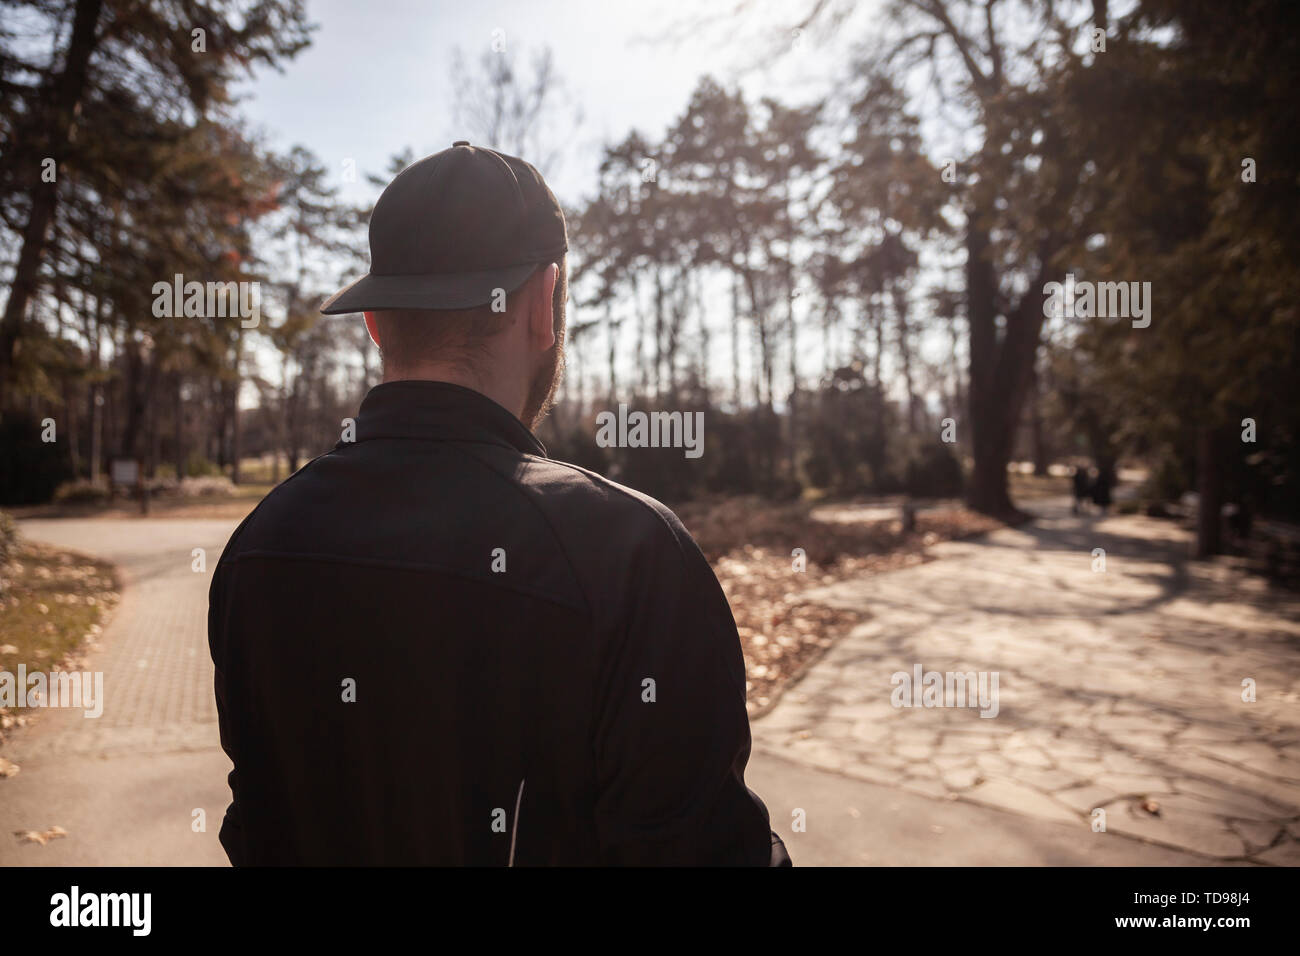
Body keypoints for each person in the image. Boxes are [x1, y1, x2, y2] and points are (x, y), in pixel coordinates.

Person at [207, 142, 790, 867]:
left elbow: (256, 829)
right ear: (545, 306)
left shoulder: (259, 546)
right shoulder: (629, 556)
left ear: (377, 323)